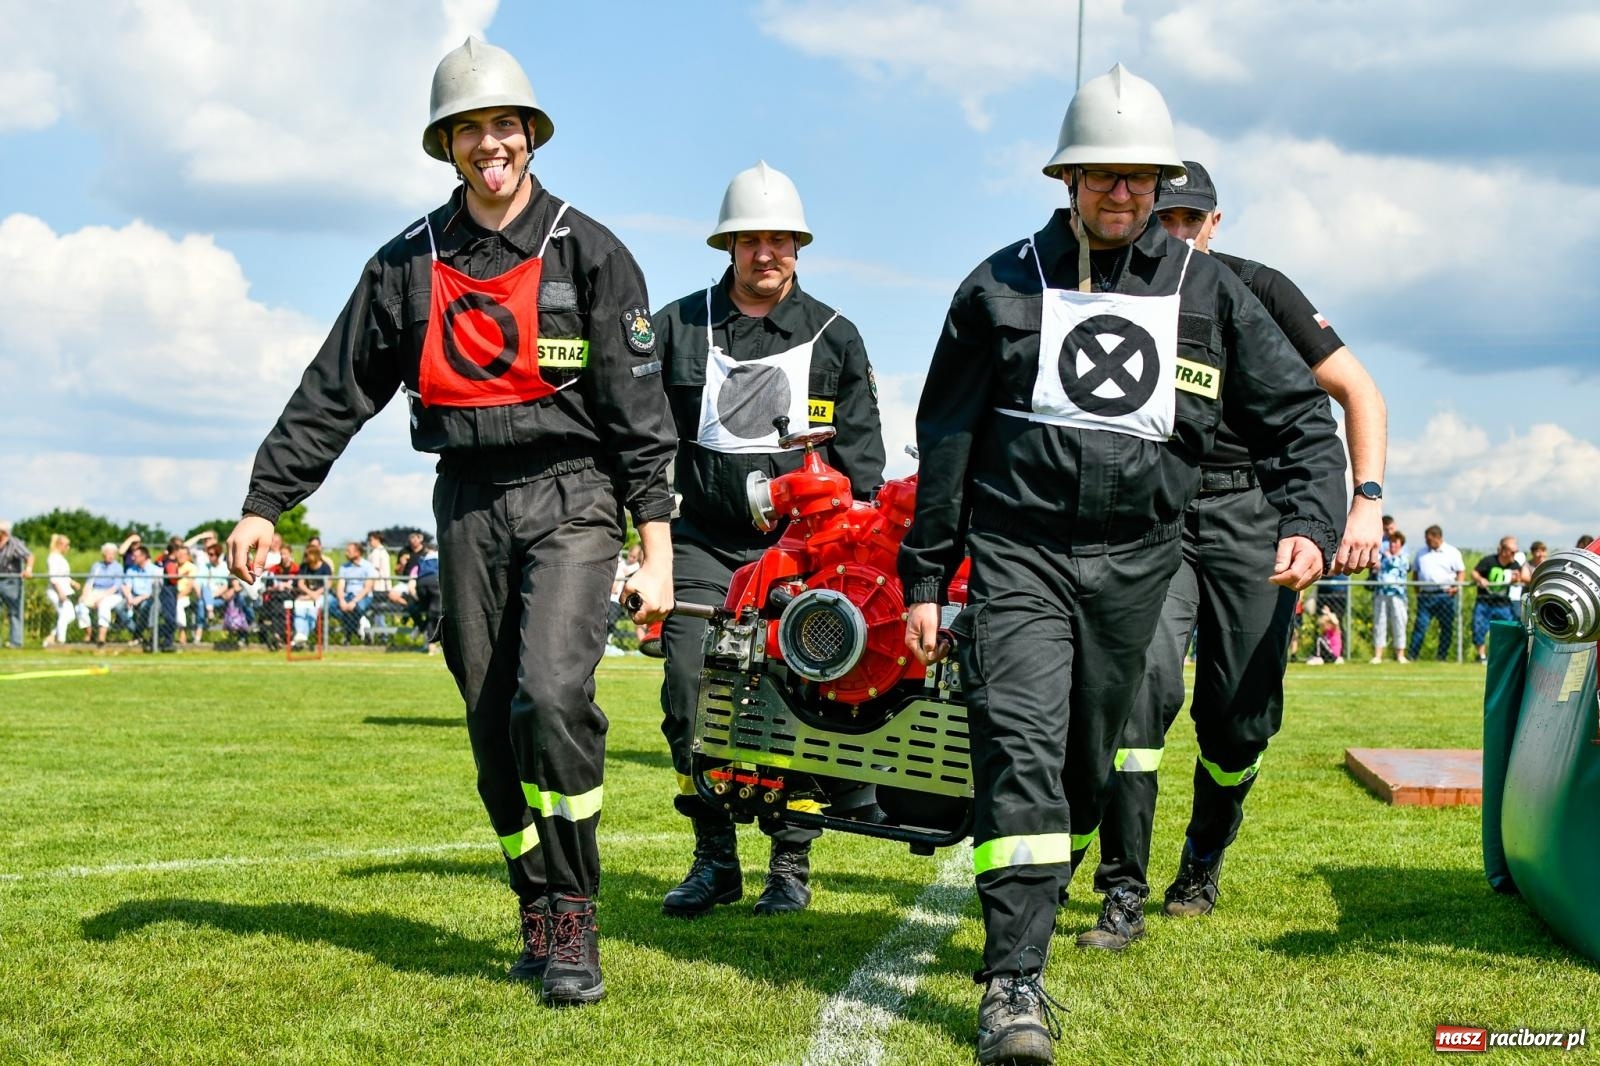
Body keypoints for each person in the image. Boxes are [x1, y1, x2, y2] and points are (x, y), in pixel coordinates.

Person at [899, 65, 1346, 1065]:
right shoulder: (998, 285)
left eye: (1139, 178)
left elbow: (1301, 421)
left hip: (1139, 567)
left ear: (1160, 183)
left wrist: (1314, 519)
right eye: (1102, 177)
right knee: (1018, 749)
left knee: (1081, 770)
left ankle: (1065, 859)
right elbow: (949, 436)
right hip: (1020, 557)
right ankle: (1013, 982)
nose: (1122, 195)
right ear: (1066, 179)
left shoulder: (1210, 292)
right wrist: (925, 577)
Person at [225, 37, 674, 1008]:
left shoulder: (590, 252)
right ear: (446, 143)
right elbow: (334, 390)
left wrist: (657, 552)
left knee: (550, 697)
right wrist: (268, 500)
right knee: (489, 725)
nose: (489, 142)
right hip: (466, 500)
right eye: (469, 127)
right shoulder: (405, 264)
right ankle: (530, 896)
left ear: (529, 133)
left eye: (503, 123)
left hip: (574, 495)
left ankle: (573, 918)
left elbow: (641, 419)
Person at [1079, 158, 1388, 949]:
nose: (1176, 233)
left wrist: (1362, 505)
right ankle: (1123, 891)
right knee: (1140, 692)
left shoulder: (1260, 290)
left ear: (1214, 223)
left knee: (1239, 718)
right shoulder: (1114, 284)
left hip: (1255, 517)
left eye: (1191, 221)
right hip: (1157, 512)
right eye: (1166, 220)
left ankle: (1203, 857)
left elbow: (1358, 390)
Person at [652, 160, 887, 920]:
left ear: (799, 245)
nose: (766, 253)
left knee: (800, 707)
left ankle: (790, 864)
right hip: (701, 543)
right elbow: (638, 435)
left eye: (780, 240)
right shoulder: (678, 327)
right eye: (751, 239)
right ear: (727, 244)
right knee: (689, 692)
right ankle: (714, 857)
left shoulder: (835, 337)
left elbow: (864, 466)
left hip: (805, 557)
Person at [1407, 525, 1466, 661]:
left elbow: (1461, 571)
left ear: (1438, 537)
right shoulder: (1421, 553)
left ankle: (1442, 656)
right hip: (1425, 596)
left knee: (1446, 627)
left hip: (1445, 595)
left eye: (1429, 540)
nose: (1427, 542)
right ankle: (1412, 655)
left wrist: (1457, 587)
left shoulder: (1452, 552)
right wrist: (1417, 592)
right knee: (1420, 626)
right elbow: (1415, 573)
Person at [1471, 537, 1525, 663]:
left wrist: (1516, 580)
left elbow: (1520, 578)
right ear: (1503, 551)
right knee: (1479, 627)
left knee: (1508, 629)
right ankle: (1482, 657)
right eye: (1512, 552)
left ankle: (1503, 656)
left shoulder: (1514, 565)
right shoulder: (1488, 561)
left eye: (1516, 552)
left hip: (1503, 603)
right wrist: (1480, 579)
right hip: (1484, 601)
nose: (1514, 555)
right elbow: (1474, 573)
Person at [78, 542, 130, 645]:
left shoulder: (118, 567)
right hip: (96, 592)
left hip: (112, 595)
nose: (111, 556)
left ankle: (101, 637)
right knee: (80, 606)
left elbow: (116, 587)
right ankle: (88, 634)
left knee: (104, 605)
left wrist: (100, 598)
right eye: (108, 553)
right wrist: (84, 595)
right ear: (103, 554)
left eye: (113, 553)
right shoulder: (96, 566)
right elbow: (89, 582)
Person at [1371, 531, 1410, 663]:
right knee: (1379, 623)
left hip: (1397, 594)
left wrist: (1388, 558)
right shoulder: (1382, 555)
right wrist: (1384, 558)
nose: (1393, 545)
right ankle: (1378, 655)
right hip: (1381, 593)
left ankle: (1400, 654)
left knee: (1399, 623)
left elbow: (1397, 565)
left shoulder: (1404, 557)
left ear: (1401, 545)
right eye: (1391, 542)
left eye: (1396, 542)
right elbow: (1376, 566)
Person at [291, 538, 333, 648]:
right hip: (308, 595)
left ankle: (301, 638)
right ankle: (300, 635)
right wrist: (310, 594)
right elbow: (301, 583)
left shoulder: (325, 567)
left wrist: (317, 593)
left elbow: (328, 584)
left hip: (320, 596)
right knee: (299, 607)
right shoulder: (304, 567)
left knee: (312, 610)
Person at [332, 541, 376, 643]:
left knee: (357, 608)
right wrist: (342, 600)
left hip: (363, 597)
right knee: (331, 606)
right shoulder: (344, 567)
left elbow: (367, 588)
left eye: (349, 551)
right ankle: (360, 623)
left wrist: (354, 602)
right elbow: (340, 585)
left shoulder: (368, 566)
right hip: (348, 596)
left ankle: (348, 634)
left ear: (357, 552)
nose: (346, 553)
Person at [0, 520, 34, 649]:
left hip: (11, 581)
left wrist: (28, 570)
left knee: (14, 612)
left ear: (2, 532)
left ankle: (16, 642)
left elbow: (29, 556)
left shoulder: (14, 543)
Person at [43, 533, 79, 648]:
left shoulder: (60, 558)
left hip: (63, 590)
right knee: (65, 614)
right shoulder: (53, 558)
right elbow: (53, 578)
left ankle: (52, 636)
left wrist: (72, 582)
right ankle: (60, 641)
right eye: (67, 545)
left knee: (70, 616)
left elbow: (64, 575)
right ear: (60, 544)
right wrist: (60, 592)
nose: (68, 548)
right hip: (56, 591)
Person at [122, 545, 160, 645]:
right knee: (119, 607)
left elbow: (155, 591)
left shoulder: (155, 570)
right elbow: (126, 586)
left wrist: (141, 597)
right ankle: (138, 633)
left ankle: (137, 635)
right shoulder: (131, 570)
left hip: (149, 598)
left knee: (145, 607)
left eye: (135, 556)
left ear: (143, 557)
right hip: (133, 597)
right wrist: (129, 598)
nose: (132, 558)